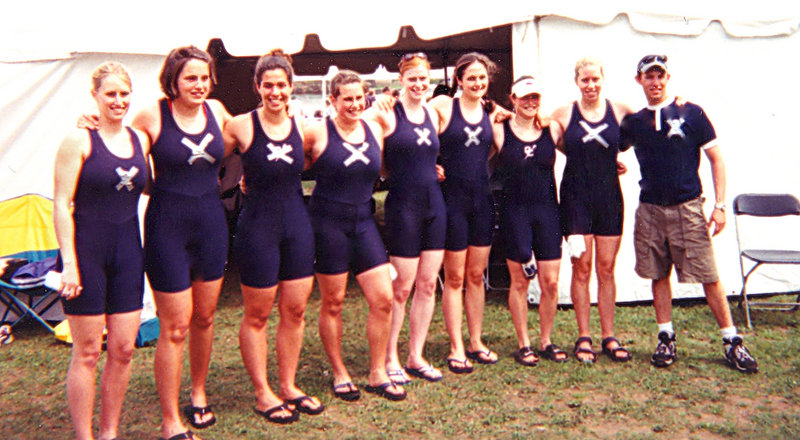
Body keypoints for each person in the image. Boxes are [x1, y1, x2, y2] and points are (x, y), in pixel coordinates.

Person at [620, 54, 758, 373]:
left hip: (688, 207)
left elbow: (716, 159)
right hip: (650, 209)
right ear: (638, 79)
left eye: (660, 76)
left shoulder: (691, 112)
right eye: (649, 76)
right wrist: (613, 163)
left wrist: (720, 206)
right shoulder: (634, 121)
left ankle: (731, 340)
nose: (655, 82)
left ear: (668, 78)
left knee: (708, 275)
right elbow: (606, 144)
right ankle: (666, 336)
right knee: (658, 274)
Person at [222, 50, 320, 424]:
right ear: (257, 87)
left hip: (297, 226)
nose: (275, 92)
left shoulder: (305, 126)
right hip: (258, 228)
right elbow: (199, 152)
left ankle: (289, 385)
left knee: (294, 310)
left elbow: (321, 156)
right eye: (268, 85)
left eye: (282, 85)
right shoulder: (240, 126)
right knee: (258, 314)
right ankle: (263, 391)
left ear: (292, 87)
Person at [54, 61, 150, 440]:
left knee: (124, 349)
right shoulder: (77, 141)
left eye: (124, 93)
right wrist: (70, 264)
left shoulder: (140, 140)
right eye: (110, 93)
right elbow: (61, 202)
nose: (119, 100)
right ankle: (84, 435)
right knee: (89, 351)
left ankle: (109, 432)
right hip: (86, 254)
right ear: (94, 96)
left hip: (128, 251)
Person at [305, 70, 406, 401]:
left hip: (364, 223)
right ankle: (339, 371)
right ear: (332, 100)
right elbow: (285, 165)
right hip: (327, 225)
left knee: (383, 299)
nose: (353, 104)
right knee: (333, 302)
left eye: (359, 97)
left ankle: (378, 372)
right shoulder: (316, 134)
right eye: (346, 98)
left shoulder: (374, 128)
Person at [365, 52, 451, 383]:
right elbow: (367, 132)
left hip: (434, 207)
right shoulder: (387, 114)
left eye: (423, 79)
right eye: (411, 78)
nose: (418, 84)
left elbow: (481, 107)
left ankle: (416, 356)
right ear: (401, 80)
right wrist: (381, 101)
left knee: (428, 284)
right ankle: (390, 358)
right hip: (404, 208)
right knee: (400, 288)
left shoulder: (433, 112)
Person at [550, 57, 633, 363]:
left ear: (603, 79)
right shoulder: (564, 112)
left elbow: (651, 122)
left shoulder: (620, 110)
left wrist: (676, 102)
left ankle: (609, 335)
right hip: (575, 199)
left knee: (606, 269)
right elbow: (538, 131)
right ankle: (584, 335)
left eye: (595, 79)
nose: (591, 85)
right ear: (577, 82)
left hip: (609, 198)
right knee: (581, 268)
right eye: (585, 80)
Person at [429, 52, 500, 367]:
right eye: (471, 77)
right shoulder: (445, 106)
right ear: (458, 80)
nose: (477, 83)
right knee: (454, 276)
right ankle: (456, 346)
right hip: (452, 202)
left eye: (482, 77)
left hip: (482, 201)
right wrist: (430, 163)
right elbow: (412, 124)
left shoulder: (491, 110)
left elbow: (528, 117)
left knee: (476, 275)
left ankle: (475, 340)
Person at [492, 76, 565, 366]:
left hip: (548, 212)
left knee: (550, 281)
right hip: (515, 213)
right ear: (512, 99)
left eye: (534, 97)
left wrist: (612, 163)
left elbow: (582, 151)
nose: (530, 103)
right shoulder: (499, 129)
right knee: (520, 281)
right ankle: (524, 343)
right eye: (524, 98)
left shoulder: (552, 128)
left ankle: (546, 339)